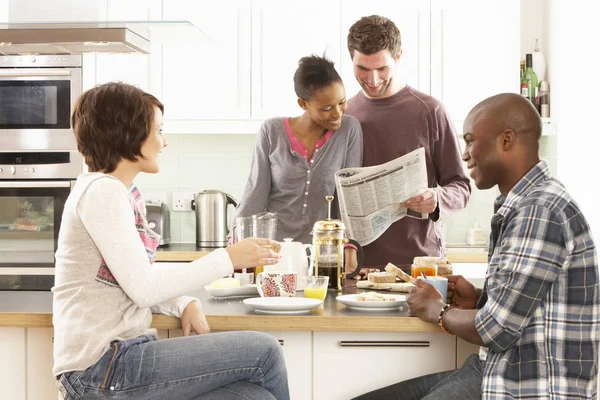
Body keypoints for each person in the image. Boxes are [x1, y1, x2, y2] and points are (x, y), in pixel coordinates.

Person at [353, 93, 600, 400]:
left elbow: (498, 329)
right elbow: (526, 308)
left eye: (470, 141)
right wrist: (481, 298)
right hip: (494, 369)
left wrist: (439, 311)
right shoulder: (528, 203)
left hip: (527, 386)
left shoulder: (540, 210)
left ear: (506, 140)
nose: (465, 154)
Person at [53, 82, 290, 400]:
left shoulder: (116, 192)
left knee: (253, 397)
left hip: (117, 365)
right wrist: (228, 258)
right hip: (102, 370)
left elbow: (134, 278)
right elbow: (144, 289)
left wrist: (184, 302)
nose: (164, 142)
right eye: (159, 130)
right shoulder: (102, 192)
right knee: (265, 351)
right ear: (129, 135)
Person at [344, 15, 471, 274]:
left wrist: (437, 198)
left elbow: (461, 187)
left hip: (420, 265)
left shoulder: (430, 111)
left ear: (399, 56)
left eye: (382, 68)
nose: (373, 79)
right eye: (363, 69)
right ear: (352, 59)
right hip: (358, 268)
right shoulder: (343, 114)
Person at [234, 55, 363, 244]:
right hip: (273, 249)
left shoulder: (349, 129)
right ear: (303, 104)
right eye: (326, 108)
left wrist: (351, 245)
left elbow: (350, 197)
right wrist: (236, 243)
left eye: (341, 102)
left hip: (325, 252)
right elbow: (255, 192)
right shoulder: (272, 131)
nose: (337, 113)